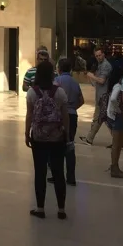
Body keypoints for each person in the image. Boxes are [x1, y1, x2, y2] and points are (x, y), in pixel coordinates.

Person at [25, 60, 70, 220]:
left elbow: (29, 115)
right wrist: (67, 134)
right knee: (58, 172)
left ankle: (40, 208)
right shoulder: (60, 92)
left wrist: (27, 133)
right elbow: (65, 115)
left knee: (40, 172)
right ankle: (61, 209)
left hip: (38, 137)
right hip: (57, 137)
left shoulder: (32, 92)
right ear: (52, 74)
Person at [51, 58, 83, 186]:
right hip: (72, 115)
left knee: (57, 146)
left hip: (59, 116)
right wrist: (72, 108)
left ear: (59, 68)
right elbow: (81, 100)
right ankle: (71, 177)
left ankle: (57, 175)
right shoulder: (75, 82)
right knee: (70, 145)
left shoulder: (57, 81)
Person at [80, 47, 112, 146]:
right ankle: (89, 138)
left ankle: (118, 140)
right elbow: (96, 83)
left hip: (104, 97)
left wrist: (91, 76)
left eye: (99, 55)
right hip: (100, 96)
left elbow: (101, 81)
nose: (98, 57)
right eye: (96, 56)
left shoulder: (105, 65)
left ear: (103, 54)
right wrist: (90, 77)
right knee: (98, 118)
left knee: (103, 119)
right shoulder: (100, 65)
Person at [106, 67, 123, 178]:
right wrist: (117, 109)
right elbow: (113, 99)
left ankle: (114, 165)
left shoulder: (117, 86)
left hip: (113, 116)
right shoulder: (119, 86)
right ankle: (114, 167)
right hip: (117, 117)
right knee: (117, 143)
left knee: (119, 143)